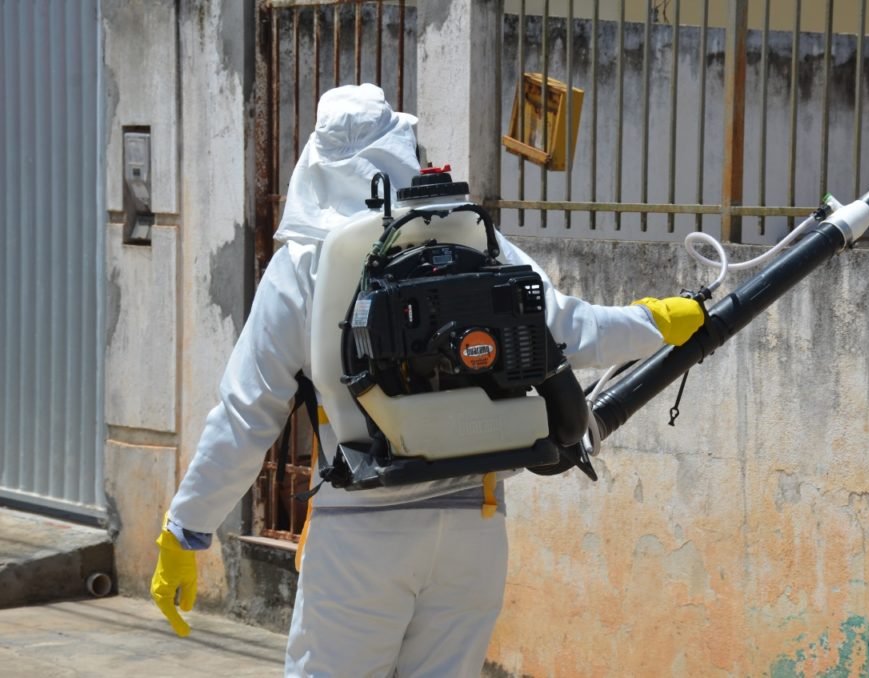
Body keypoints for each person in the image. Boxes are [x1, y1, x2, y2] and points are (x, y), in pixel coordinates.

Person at [150, 83, 706, 677]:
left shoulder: (304, 264)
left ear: (316, 162)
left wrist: (187, 527)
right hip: (474, 522)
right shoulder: (466, 235)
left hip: (361, 529)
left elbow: (247, 413)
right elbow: (570, 329)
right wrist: (659, 320)